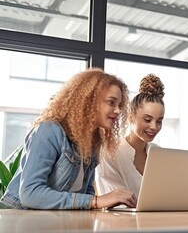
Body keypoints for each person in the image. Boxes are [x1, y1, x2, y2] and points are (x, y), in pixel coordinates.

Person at [0, 68, 136, 209]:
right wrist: (95, 201)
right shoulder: (49, 130)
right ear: (89, 100)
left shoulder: (95, 140)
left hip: (57, 221)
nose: (118, 110)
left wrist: (96, 206)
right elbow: (30, 193)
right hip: (23, 221)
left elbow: (87, 190)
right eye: (111, 102)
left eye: (119, 105)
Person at [95, 74, 165, 202]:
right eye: (147, 119)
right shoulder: (110, 153)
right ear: (130, 117)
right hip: (122, 221)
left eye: (159, 121)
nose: (154, 127)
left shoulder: (160, 153)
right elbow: (115, 204)